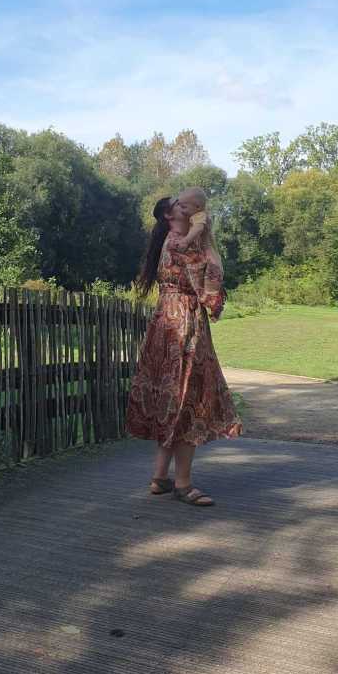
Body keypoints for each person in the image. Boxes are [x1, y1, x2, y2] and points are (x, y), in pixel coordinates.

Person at [126, 195, 242, 507]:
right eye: (181, 205)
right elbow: (211, 276)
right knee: (187, 401)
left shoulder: (170, 240)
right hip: (184, 325)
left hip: (167, 324)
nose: (188, 208)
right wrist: (203, 230)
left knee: (170, 400)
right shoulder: (178, 241)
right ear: (168, 214)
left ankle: (160, 478)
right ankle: (183, 484)